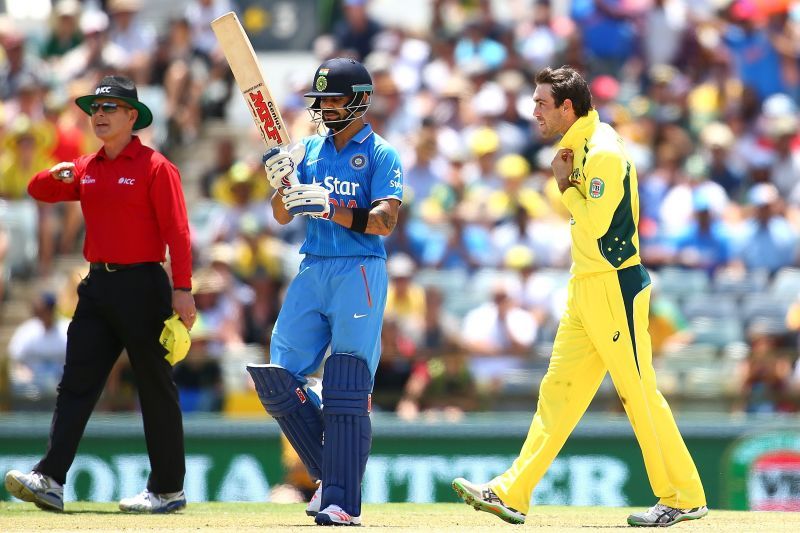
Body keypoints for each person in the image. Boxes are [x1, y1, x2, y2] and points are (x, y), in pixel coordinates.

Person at [451, 66, 708, 527]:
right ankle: (512, 492)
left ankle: (683, 496)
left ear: (567, 107)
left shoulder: (603, 151)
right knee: (559, 394)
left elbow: (599, 226)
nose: (534, 113)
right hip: (585, 285)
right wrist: (568, 184)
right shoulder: (577, 146)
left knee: (638, 394)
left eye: (541, 104)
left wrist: (564, 188)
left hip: (614, 284)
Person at [4, 75, 196, 514]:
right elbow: (38, 190)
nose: (100, 114)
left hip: (145, 285)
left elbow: (179, 233)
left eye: (110, 107)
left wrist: (182, 290)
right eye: (96, 108)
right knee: (76, 383)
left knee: (154, 387)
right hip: (97, 286)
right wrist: (55, 173)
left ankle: (168, 490)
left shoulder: (155, 167)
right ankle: (50, 478)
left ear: (133, 117)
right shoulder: (88, 166)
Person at [246, 57, 402, 526]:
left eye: (334, 98)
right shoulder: (308, 151)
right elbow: (280, 215)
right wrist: (280, 184)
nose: (326, 107)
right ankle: (336, 478)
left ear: (359, 100)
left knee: (348, 382)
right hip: (313, 267)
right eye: (321, 100)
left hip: (360, 270)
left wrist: (331, 207)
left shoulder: (381, 154)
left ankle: (339, 503)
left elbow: (385, 222)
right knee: (277, 379)